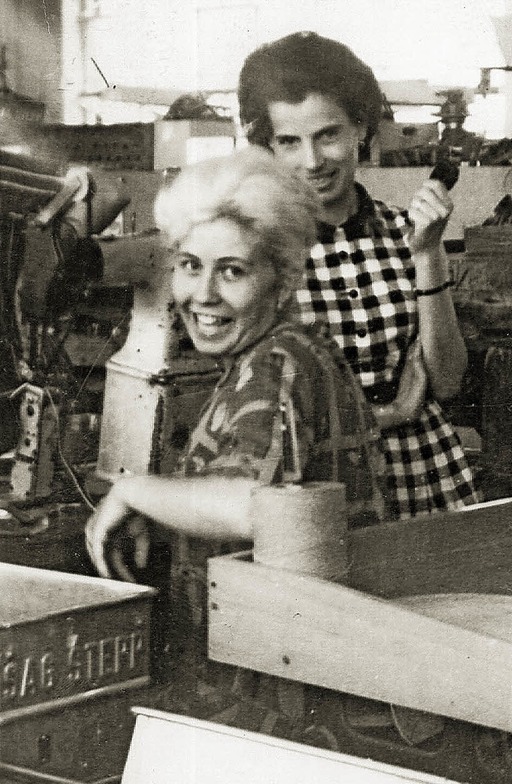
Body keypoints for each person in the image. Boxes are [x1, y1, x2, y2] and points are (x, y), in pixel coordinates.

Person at [84, 147, 387, 589]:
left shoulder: (275, 366)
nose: (204, 295)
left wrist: (133, 492)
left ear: (282, 286)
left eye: (232, 271)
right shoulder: (283, 352)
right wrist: (163, 513)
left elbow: (254, 505)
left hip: (281, 638)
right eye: (190, 266)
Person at [237, 31, 480, 519]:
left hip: (424, 475)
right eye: (289, 141)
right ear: (268, 146)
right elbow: (261, 413)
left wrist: (427, 253)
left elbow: (448, 381)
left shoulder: (402, 231)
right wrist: (389, 414)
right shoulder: (258, 250)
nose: (312, 161)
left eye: (328, 134)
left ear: (361, 129)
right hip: (316, 486)